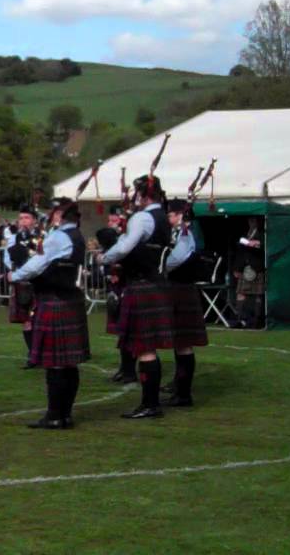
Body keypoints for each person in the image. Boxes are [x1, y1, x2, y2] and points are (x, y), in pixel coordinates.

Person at [9, 198, 88, 429]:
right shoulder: (77, 236)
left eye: (55, 212)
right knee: (69, 363)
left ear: (60, 215)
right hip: (69, 299)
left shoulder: (59, 237)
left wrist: (15, 275)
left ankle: (55, 415)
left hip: (54, 300)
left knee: (54, 363)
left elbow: (38, 265)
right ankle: (65, 414)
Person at [100, 175, 174, 419]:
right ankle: (150, 403)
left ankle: (150, 404)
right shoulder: (163, 217)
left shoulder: (143, 218)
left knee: (145, 349)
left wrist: (104, 258)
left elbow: (124, 247)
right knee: (149, 347)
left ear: (142, 195)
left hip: (141, 285)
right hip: (156, 283)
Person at [162, 199, 207, 407]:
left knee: (184, 344)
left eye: (170, 215)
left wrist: (158, 267)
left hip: (181, 289)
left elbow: (176, 259)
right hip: (180, 289)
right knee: (181, 344)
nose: (168, 219)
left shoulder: (187, 233)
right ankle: (180, 389)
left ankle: (183, 394)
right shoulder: (184, 232)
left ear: (179, 214)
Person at [96, 206, 135, 383]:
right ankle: (124, 368)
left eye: (115, 220)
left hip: (127, 288)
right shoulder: (112, 243)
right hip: (116, 290)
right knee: (122, 332)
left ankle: (130, 371)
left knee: (129, 333)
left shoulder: (126, 243)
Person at [4, 206, 42, 368]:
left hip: (39, 281)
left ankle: (40, 353)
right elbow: (7, 257)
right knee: (26, 321)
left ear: (34, 220)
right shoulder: (14, 238)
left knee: (39, 319)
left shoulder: (42, 237)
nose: (23, 221)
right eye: (21, 218)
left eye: (27, 218)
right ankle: (32, 355)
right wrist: (16, 268)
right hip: (21, 281)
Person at [232, 218, 266, 329]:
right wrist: (237, 268)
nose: (251, 223)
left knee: (257, 294)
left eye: (253, 221)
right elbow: (240, 252)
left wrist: (257, 244)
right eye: (249, 221)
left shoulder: (262, 234)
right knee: (240, 293)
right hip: (244, 267)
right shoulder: (245, 233)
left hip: (256, 268)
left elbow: (264, 248)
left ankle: (257, 320)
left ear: (257, 222)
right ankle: (240, 320)